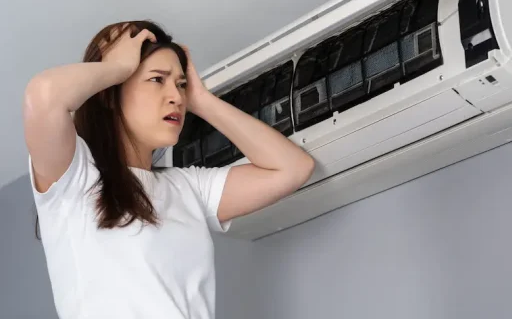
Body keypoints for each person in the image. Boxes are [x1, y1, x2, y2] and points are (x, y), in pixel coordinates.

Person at [22, 20, 315, 319]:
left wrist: (201, 100)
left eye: (180, 84)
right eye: (156, 79)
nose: (176, 96)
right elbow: (42, 96)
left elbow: (292, 168)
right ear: (110, 92)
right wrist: (119, 68)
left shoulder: (187, 187)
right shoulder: (75, 176)